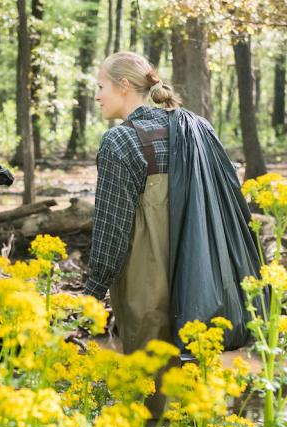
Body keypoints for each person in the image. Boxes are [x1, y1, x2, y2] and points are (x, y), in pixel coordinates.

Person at [84, 51, 180, 354]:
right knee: (193, 387)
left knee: (147, 388)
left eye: (101, 87)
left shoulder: (120, 141)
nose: (97, 97)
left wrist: (92, 293)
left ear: (123, 85)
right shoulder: (189, 129)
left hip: (147, 292)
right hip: (198, 284)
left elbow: (112, 230)